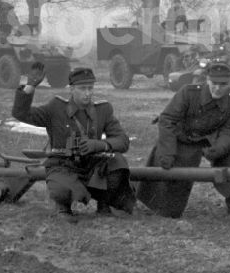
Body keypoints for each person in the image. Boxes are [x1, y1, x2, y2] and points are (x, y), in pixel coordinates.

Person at [11, 64, 136, 223]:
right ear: (72, 89)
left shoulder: (102, 110)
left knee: (118, 163)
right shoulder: (56, 108)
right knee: (61, 189)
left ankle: (104, 203)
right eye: (82, 88)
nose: (87, 93)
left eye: (90, 88)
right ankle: (62, 207)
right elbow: (21, 114)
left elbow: (122, 141)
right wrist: (29, 87)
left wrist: (99, 145)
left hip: (92, 164)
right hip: (64, 164)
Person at [137, 62, 230, 219]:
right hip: (182, 137)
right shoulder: (188, 93)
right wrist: (168, 151)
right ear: (207, 80)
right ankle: (159, 203)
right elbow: (167, 120)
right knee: (171, 182)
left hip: (209, 140)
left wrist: (219, 148)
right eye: (214, 83)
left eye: (223, 84)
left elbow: (228, 131)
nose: (218, 88)